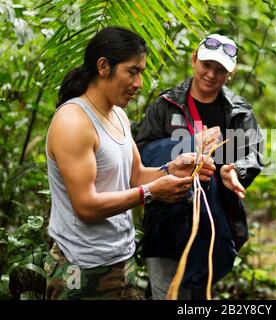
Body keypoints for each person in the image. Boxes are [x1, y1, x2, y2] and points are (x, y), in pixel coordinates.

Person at [44, 27, 215, 300]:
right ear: (103, 66)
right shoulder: (73, 122)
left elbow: (135, 175)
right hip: (80, 268)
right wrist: (152, 192)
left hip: (122, 261)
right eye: (132, 71)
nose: (139, 83)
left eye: (142, 73)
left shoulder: (119, 115)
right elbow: (86, 206)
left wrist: (171, 169)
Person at [135, 33, 264, 300]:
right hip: (165, 218)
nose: (211, 74)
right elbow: (141, 154)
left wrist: (233, 171)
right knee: (167, 291)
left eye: (220, 70)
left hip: (213, 221)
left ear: (231, 73)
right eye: (206, 65)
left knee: (201, 292)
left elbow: (253, 153)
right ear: (194, 60)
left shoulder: (238, 111)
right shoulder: (165, 105)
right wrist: (187, 145)